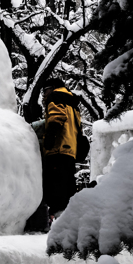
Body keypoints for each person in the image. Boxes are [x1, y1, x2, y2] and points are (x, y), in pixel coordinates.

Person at [42, 77, 80, 216]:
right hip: (70, 149)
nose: (44, 94)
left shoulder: (56, 96)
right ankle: (68, 218)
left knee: (55, 188)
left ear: (52, 87)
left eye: (45, 90)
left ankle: (57, 217)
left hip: (58, 148)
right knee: (67, 186)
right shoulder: (71, 100)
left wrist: (50, 137)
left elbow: (57, 116)